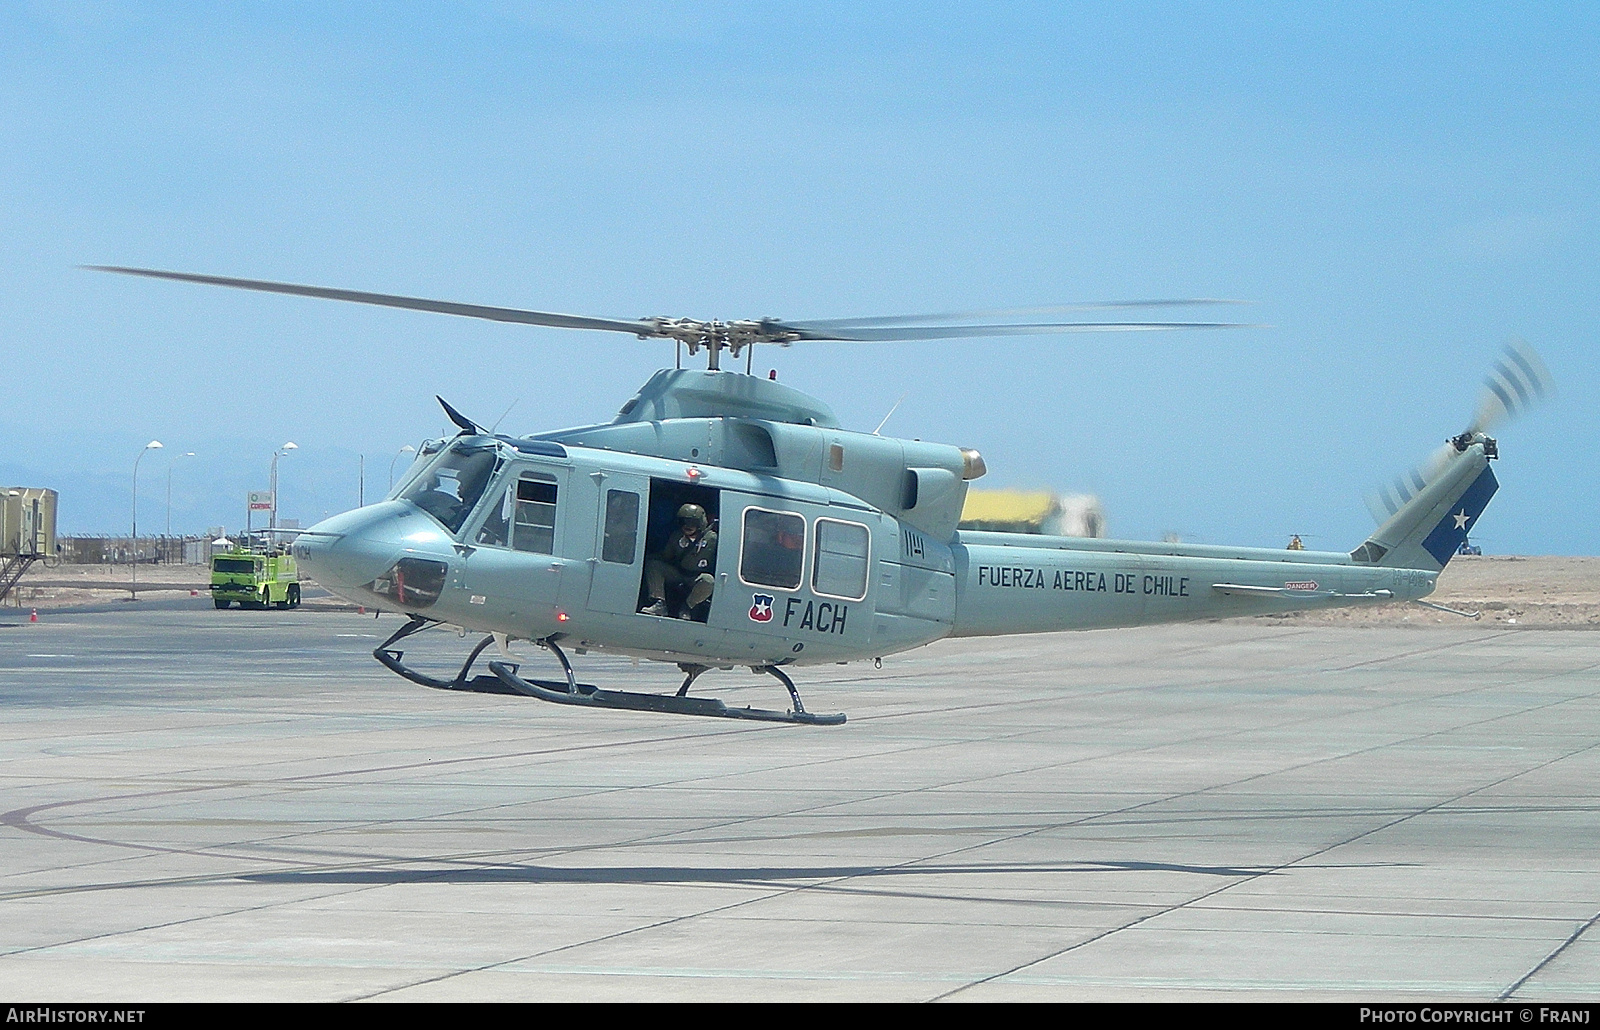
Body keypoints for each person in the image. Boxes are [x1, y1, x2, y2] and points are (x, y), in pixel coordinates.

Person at [640, 504, 717, 620]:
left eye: (692, 523)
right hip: (678, 573)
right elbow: (667, 556)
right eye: (684, 522)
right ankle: (659, 603)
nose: (688, 526)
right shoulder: (677, 536)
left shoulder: (712, 539)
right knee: (654, 565)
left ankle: (687, 607)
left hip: (695, 577)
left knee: (708, 581)